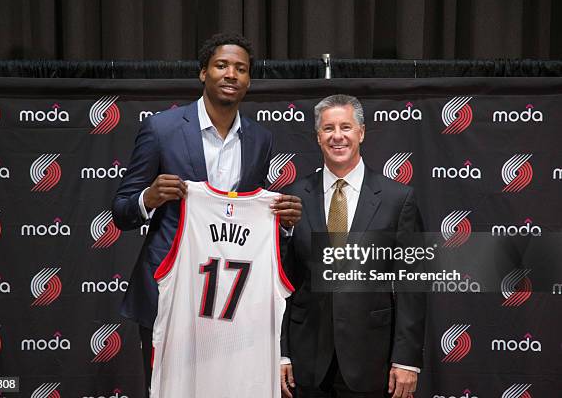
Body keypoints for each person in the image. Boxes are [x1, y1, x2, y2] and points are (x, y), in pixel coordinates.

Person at [112, 33, 302, 396]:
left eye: (241, 69)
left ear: (249, 80)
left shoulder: (260, 139)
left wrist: (284, 223)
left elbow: (248, 214)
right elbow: (120, 212)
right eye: (222, 65)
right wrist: (148, 198)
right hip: (169, 292)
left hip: (229, 300)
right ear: (203, 73)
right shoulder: (161, 128)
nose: (231, 74)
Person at [280, 94, 425, 398]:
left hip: (372, 360)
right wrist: (282, 353)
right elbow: (283, 281)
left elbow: (412, 286)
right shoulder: (293, 198)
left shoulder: (398, 199)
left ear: (361, 132)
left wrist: (406, 360)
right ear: (317, 136)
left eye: (345, 127)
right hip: (307, 362)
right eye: (328, 128)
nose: (337, 136)